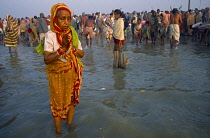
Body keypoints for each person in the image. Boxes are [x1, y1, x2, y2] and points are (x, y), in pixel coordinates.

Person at [44, 3, 84, 133]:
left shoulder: (72, 33)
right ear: (55, 19)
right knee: (57, 104)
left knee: (71, 101)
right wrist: (62, 49)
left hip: (71, 72)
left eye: (68, 18)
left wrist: (71, 48)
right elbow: (47, 59)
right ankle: (58, 132)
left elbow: (81, 54)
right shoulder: (50, 35)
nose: (66, 22)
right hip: (56, 75)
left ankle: (70, 127)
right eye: (62, 19)